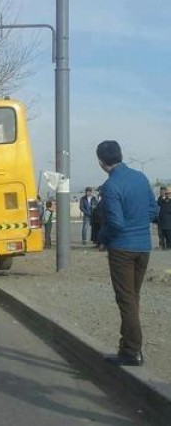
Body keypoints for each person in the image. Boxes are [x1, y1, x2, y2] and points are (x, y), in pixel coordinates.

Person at [96, 140, 158, 366]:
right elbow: (154, 208)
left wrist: (101, 238)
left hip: (122, 248)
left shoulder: (110, 186)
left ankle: (132, 352)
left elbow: (116, 223)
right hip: (144, 247)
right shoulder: (141, 178)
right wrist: (140, 224)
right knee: (133, 297)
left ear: (101, 162)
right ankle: (127, 346)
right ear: (121, 155)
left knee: (126, 299)